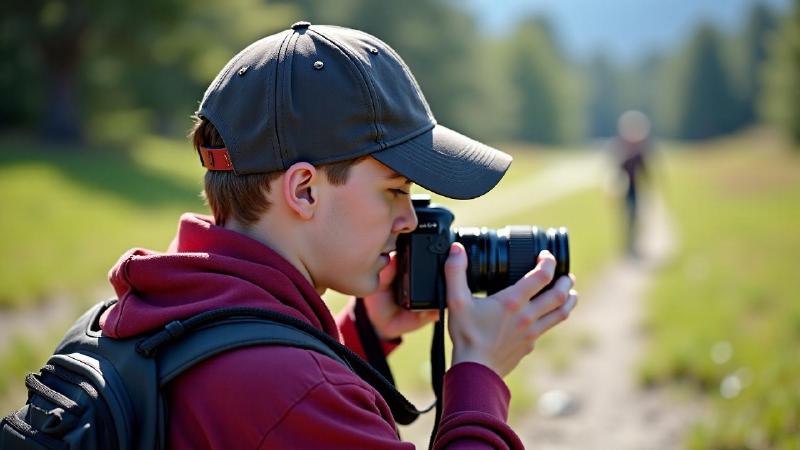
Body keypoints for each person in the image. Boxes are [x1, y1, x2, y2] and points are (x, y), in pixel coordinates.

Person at [99, 22, 578, 449]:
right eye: (394, 190)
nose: (409, 219)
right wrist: (480, 373)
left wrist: (362, 337)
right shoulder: (291, 391)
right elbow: (289, 402)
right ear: (304, 190)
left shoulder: (157, 314)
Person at [614, 110, 652, 257]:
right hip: (625, 190)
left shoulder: (639, 154)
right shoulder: (624, 154)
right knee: (627, 217)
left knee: (634, 216)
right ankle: (627, 245)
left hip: (635, 190)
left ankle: (633, 244)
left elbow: (645, 171)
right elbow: (618, 171)